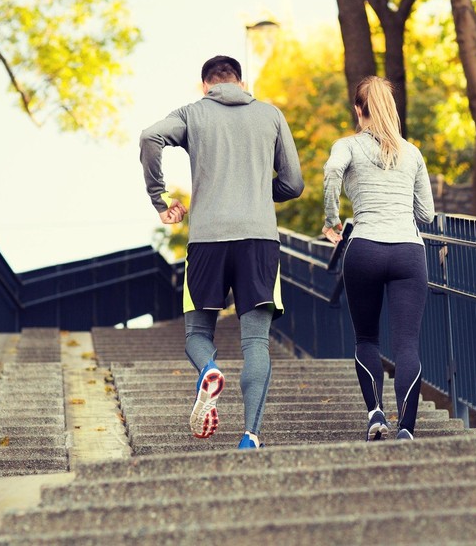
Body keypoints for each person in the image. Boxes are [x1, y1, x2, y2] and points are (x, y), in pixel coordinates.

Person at [139, 55, 304, 450]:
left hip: (207, 240)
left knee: (197, 333)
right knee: (255, 342)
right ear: (241, 82)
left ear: (206, 86)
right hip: (259, 241)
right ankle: (250, 435)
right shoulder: (270, 115)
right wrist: (260, 194)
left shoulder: (193, 113)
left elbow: (149, 137)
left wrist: (159, 199)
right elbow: (294, 183)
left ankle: (210, 370)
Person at [321, 76, 435, 441]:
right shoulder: (412, 153)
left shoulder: (348, 146)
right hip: (408, 252)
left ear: (359, 110)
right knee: (406, 345)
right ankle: (407, 428)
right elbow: (427, 214)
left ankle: (375, 414)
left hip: (364, 249)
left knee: (367, 339)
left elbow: (331, 171)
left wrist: (331, 220)